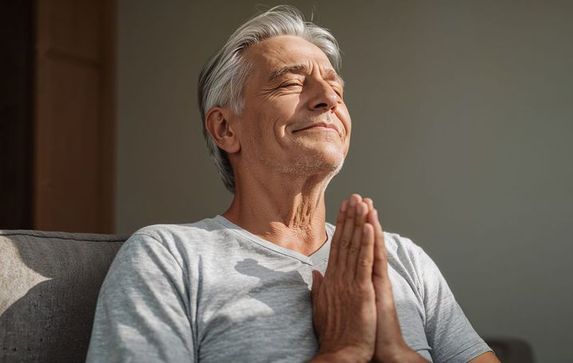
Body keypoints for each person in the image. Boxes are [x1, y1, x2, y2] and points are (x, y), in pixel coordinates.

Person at [86, 5, 499, 363]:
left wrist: (396, 352)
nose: (329, 98)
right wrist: (341, 353)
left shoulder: (404, 259)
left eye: (335, 86)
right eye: (290, 82)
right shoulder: (169, 256)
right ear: (226, 128)